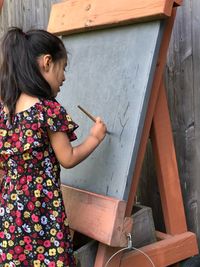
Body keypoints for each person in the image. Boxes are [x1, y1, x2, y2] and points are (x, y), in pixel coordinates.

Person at [0, 27, 107, 267]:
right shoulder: (47, 110)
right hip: (42, 211)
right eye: (63, 68)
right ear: (47, 63)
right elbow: (67, 158)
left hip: (11, 213)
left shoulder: (4, 111)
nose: (64, 78)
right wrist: (94, 137)